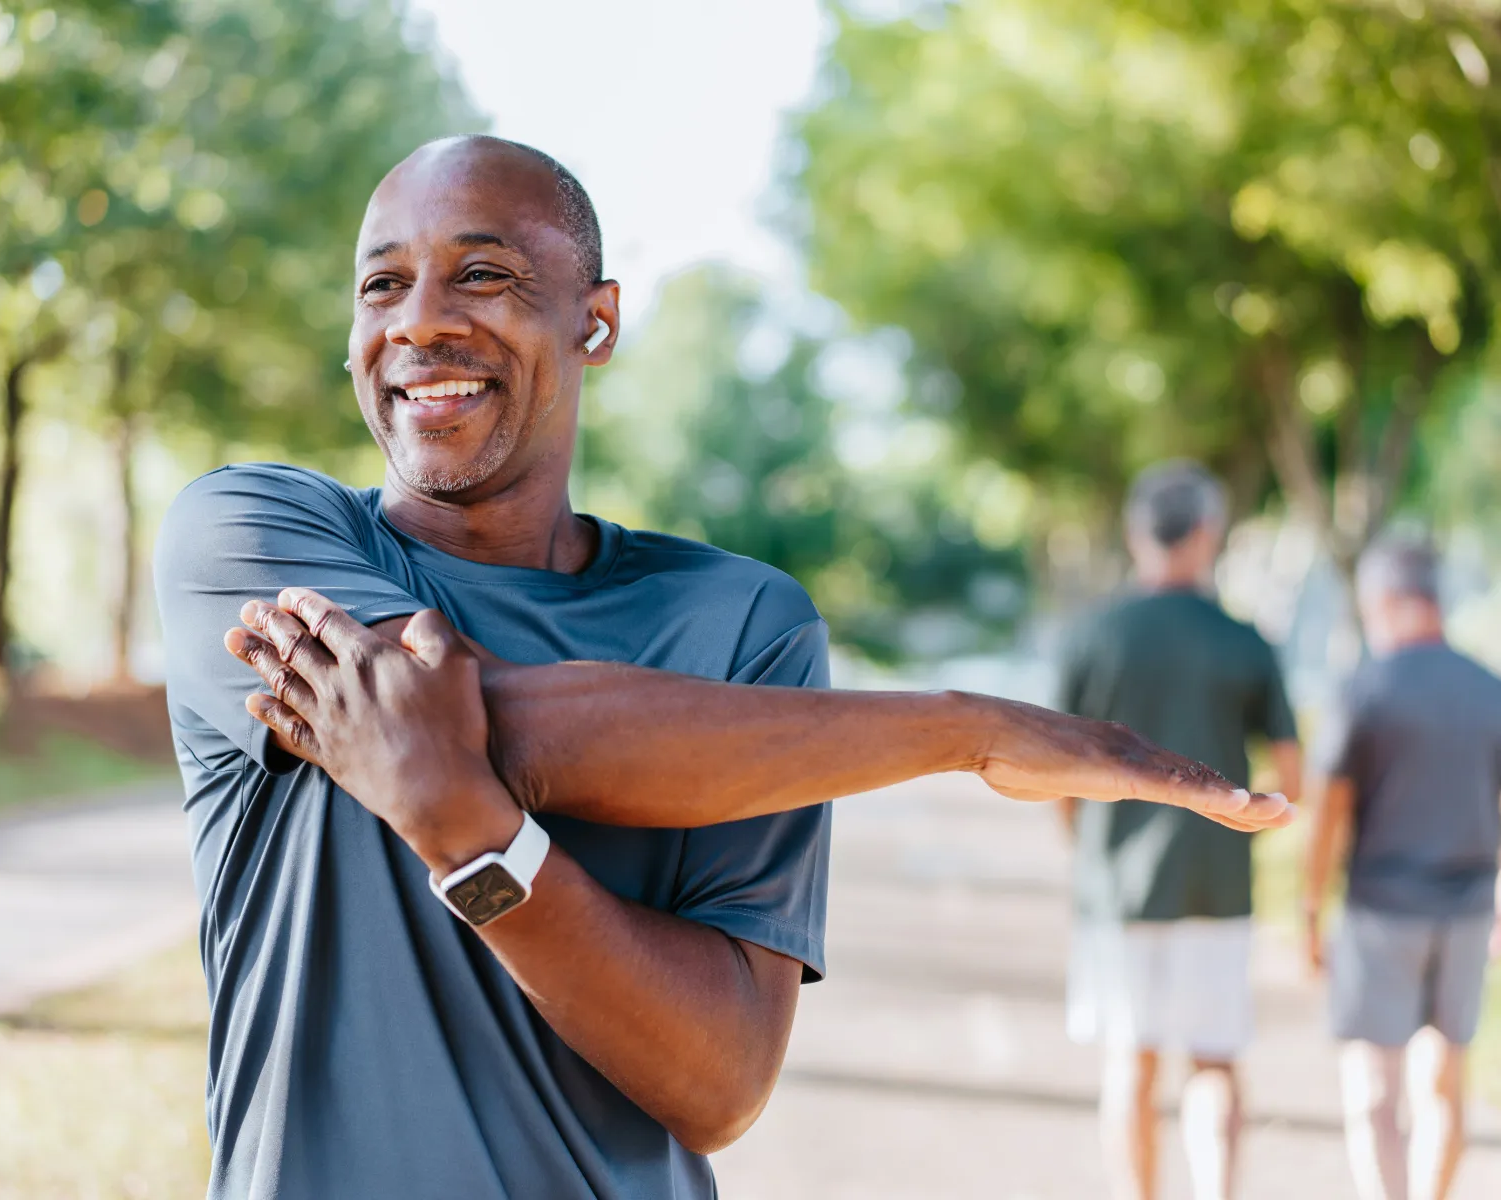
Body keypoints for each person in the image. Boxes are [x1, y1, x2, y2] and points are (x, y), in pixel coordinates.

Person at [154, 136, 1292, 1200]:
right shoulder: (249, 534)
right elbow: (480, 723)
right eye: (381, 284)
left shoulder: (742, 624)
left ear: (594, 323)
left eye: (484, 277)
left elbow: (718, 1084)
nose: (418, 323)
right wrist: (961, 731)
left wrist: (477, 841)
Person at [1055, 461, 1302, 1200]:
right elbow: (1291, 772)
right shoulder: (1244, 639)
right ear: (1207, 533)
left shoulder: (1093, 634)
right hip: (1218, 880)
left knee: (1131, 1063)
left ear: (1137, 535)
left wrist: (1085, 848)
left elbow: (1056, 770)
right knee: (1217, 1062)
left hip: (1117, 887)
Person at [1302, 534, 1501, 1200]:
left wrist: (1309, 909)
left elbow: (1327, 811)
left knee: (1375, 1093)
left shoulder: (1366, 687)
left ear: (1384, 601)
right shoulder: (1488, 689)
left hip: (1381, 910)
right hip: (1468, 911)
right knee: (1444, 1087)